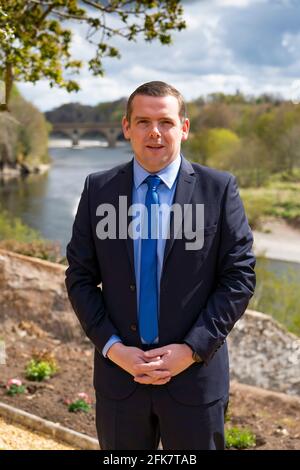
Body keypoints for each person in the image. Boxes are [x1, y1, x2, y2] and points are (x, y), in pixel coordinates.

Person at [65, 81, 256, 450]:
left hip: (195, 378)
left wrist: (191, 349)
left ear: (183, 128)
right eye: (143, 121)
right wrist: (114, 348)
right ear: (126, 127)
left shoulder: (218, 189)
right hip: (119, 379)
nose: (155, 132)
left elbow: (239, 277)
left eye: (166, 122)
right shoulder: (98, 189)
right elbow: (80, 277)